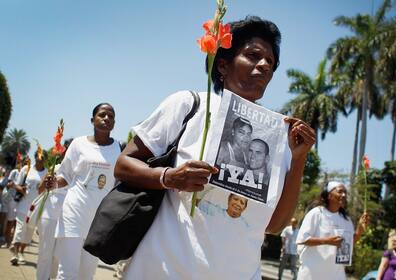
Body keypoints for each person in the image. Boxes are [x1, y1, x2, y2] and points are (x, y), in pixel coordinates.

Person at [115, 16, 315, 279]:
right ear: (222, 64)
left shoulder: (278, 138)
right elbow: (123, 165)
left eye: (271, 62)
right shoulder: (188, 105)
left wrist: (299, 159)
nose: (265, 65)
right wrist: (170, 177)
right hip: (164, 270)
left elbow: (275, 225)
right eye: (253, 55)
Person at [45, 103, 120, 280]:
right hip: (74, 214)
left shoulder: (119, 148)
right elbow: (65, 175)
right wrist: (54, 183)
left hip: (99, 221)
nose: (107, 118)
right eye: (102, 115)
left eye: (111, 116)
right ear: (92, 120)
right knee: (68, 272)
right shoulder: (78, 144)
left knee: (87, 274)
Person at [295, 181, 369, 280]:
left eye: (345, 193)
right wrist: (326, 241)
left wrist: (360, 229)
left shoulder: (346, 220)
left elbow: (349, 243)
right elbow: (303, 239)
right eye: (340, 192)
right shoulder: (317, 213)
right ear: (329, 195)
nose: (344, 195)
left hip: (336, 275)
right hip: (311, 274)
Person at [35, 138, 72, 280]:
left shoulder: (78, 172)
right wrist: (46, 182)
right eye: (67, 149)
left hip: (67, 217)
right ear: (63, 152)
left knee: (58, 256)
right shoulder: (54, 168)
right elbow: (40, 190)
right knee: (45, 253)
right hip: (49, 214)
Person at [10, 153, 47, 265]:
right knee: (20, 229)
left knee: (29, 232)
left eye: (42, 158)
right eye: (38, 157)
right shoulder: (27, 168)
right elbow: (15, 184)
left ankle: (21, 251)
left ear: (45, 160)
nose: (39, 160)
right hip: (23, 205)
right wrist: (21, 189)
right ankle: (15, 253)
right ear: (35, 157)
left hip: (37, 207)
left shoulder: (47, 172)